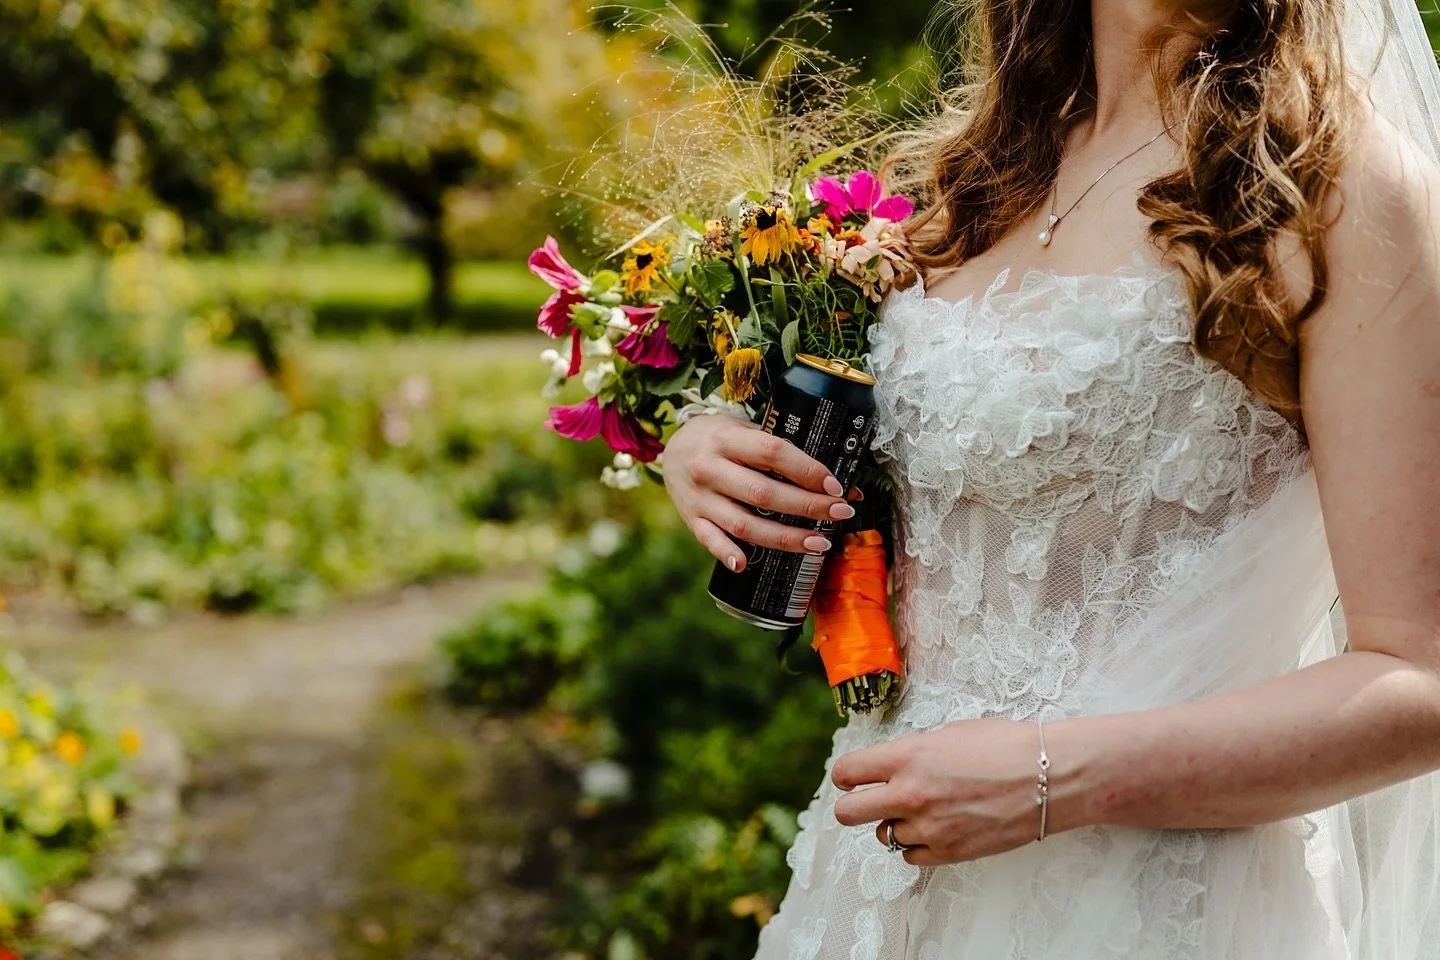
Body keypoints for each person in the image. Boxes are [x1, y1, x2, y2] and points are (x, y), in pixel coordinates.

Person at [662, 0, 1440, 957]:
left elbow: (1419, 679)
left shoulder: (1337, 192)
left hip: (1151, 902)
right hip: (881, 878)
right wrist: (707, 448)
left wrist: (1052, 776)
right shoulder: (983, 176)